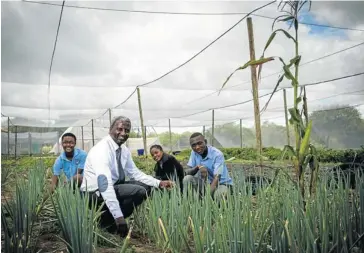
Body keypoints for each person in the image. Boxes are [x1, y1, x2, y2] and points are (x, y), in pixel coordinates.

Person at [80, 116, 174, 237]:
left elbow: (135, 173)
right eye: (120, 129)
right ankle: (107, 223)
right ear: (110, 129)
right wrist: (119, 217)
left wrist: (159, 183)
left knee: (147, 187)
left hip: (112, 186)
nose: (123, 133)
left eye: (127, 130)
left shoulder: (123, 150)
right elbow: (105, 186)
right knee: (138, 191)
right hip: (94, 193)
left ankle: (109, 221)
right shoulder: (101, 150)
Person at [183, 132, 233, 201]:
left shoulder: (217, 154)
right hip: (206, 184)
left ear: (205, 142)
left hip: (221, 184)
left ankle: (209, 203)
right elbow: (187, 172)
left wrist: (207, 199)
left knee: (219, 195)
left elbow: (217, 178)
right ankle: (194, 205)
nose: (197, 147)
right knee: (187, 179)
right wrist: (198, 167)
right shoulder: (194, 152)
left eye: (199, 143)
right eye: (193, 145)